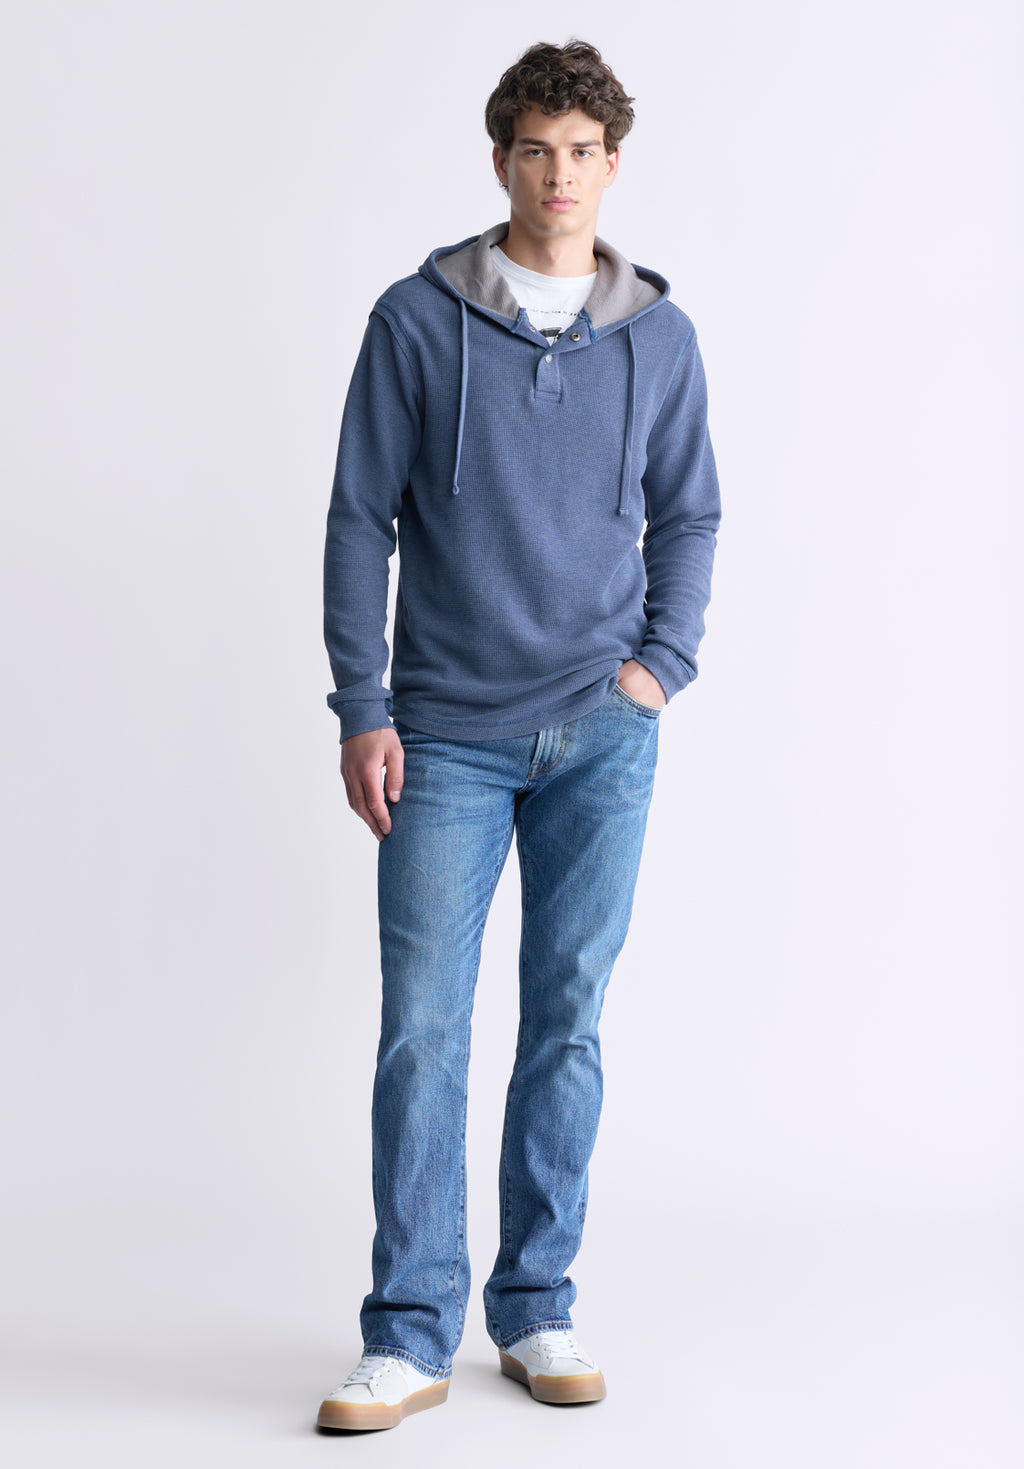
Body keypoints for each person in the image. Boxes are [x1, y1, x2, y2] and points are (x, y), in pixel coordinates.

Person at [316, 39, 721, 1432]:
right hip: (443, 733)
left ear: (614, 166)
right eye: (536, 150)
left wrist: (659, 670)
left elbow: (692, 511)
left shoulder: (659, 337)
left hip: (604, 733)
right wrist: (364, 706)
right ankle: (408, 1331)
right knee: (423, 1030)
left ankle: (537, 1304)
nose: (560, 175)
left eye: (583, 153)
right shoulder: (416, 322)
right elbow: (357, 517)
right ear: (501, 161)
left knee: (566, 1023)